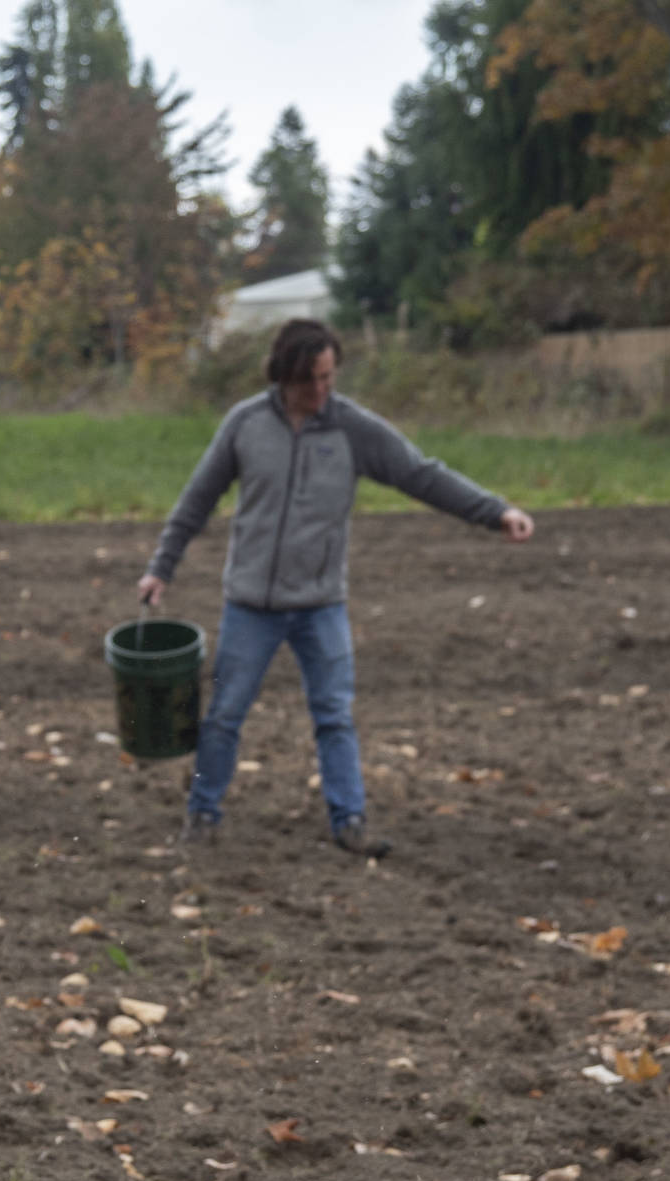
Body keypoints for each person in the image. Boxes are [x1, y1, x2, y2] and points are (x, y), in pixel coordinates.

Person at [136, 318, 532, 856]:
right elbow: (197, 499)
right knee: (226, 714)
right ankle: (203, 815)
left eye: (328, 378)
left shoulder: (353, 429)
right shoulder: (246, 424)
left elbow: (422, 474)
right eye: (308, 382)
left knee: (335, 714)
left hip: (320, 604)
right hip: (250, 604)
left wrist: (496, 512)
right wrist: (162, 567)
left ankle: (350, 821)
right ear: (282, 377)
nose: (320, 391)